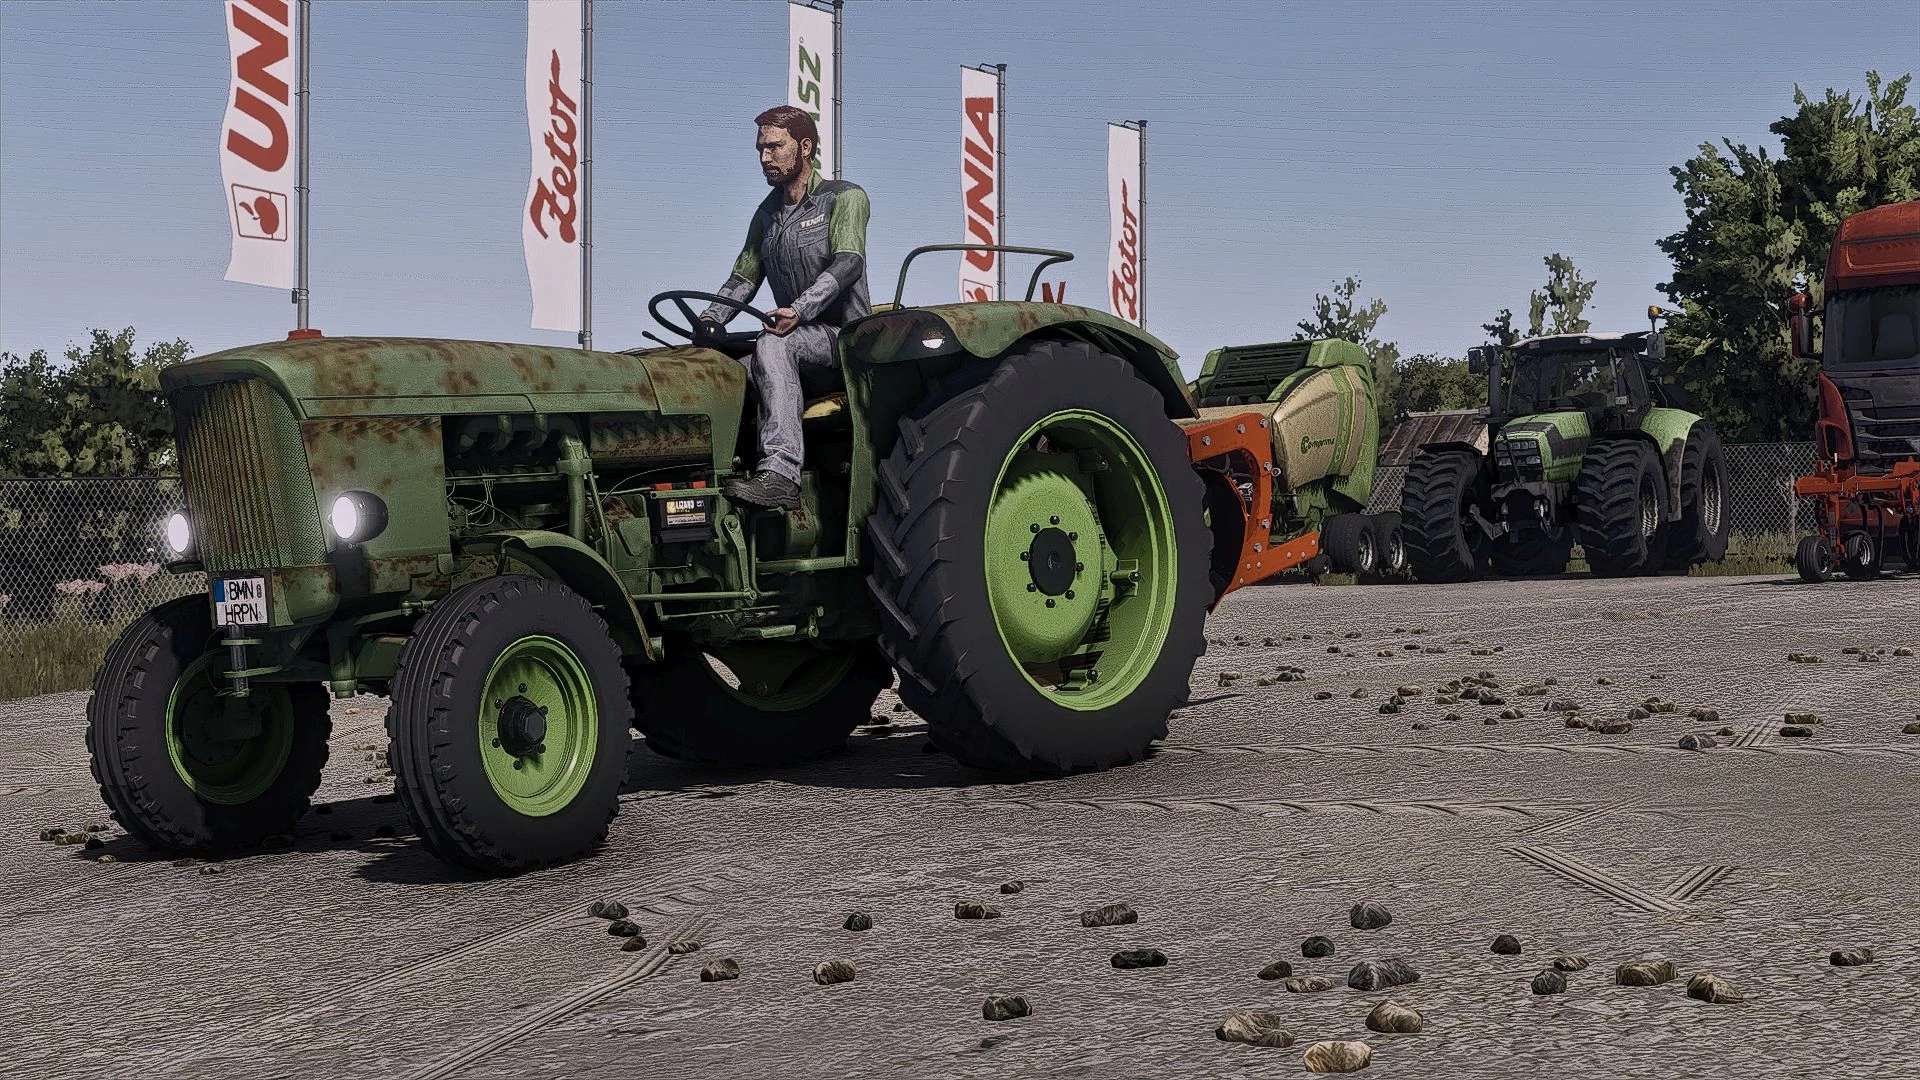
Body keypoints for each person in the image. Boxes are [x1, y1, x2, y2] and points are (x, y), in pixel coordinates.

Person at [700, 105, 871, 510]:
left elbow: (848, 262)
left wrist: (799, 309)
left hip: (846, 341)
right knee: (722, 369)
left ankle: (781, 473)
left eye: (775, 147)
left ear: (805, 147)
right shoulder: (766, 216)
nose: (765, 157)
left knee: (773, 344)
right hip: (795, 335)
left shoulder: (844, 198)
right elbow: (743, 279)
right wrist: (709, 319)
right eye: (761, 149)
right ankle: (720, 470)